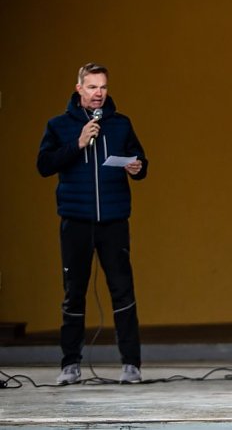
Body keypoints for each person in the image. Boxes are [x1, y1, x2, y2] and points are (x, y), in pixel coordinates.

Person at [37, 63, 148, 384]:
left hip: (113, 221)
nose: (98, 93)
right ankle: (69, 365)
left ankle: (131, 365)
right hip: (76, 221)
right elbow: (44, 165)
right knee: (74, 293)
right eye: (92, 87)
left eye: (103, 87)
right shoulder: (59, 125)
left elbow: (141, 161)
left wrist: (137, 167)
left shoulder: (121, 124)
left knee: (123, 291)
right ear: (79, 89)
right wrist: (78, 144)